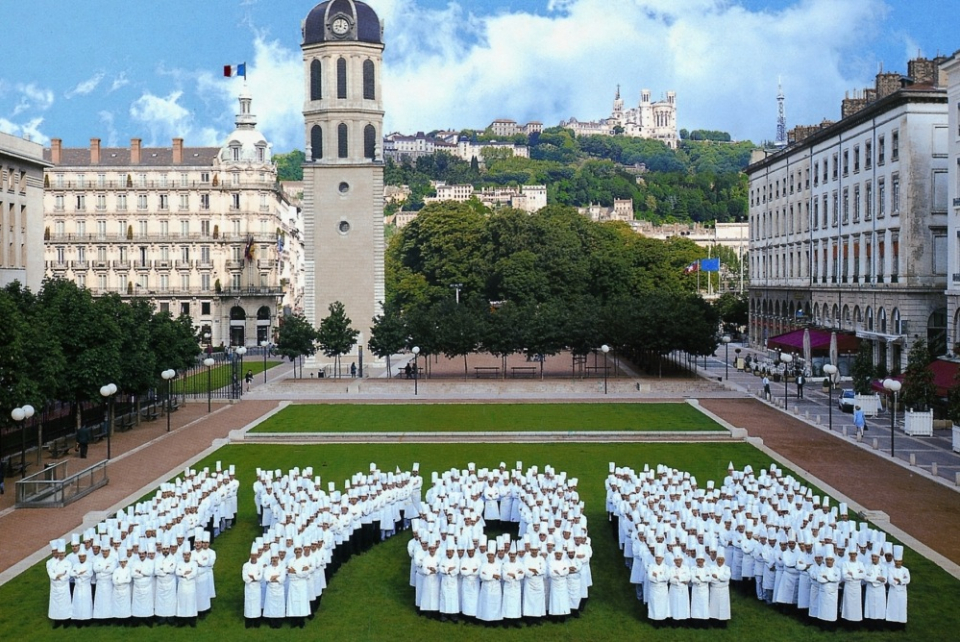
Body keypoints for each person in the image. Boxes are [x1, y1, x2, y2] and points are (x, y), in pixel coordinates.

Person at [885, 545, 909, 628]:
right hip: (893, 592)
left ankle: (901, 625)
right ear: (894, 561)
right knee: (893, 608)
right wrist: (900, 581)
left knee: (901, 607)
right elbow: (890, 580)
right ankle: (892, 625)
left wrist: (900, 581)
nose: (897, 563)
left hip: (902, 592)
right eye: (896, 561)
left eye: (899, 561)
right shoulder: (890, 569)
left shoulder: (905, 570)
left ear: (902, 561)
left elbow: (907, 580)